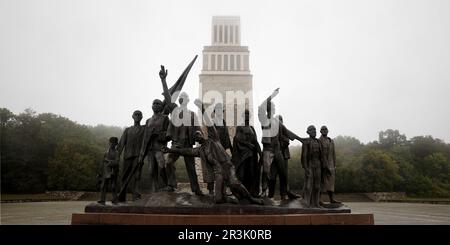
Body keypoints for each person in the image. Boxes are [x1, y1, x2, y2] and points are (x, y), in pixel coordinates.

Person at [258, 88, 304, 200]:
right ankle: (265, 192)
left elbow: (287, 132)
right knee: (267, 173)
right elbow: (260, 107)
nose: (273, 110)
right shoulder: (264, 119)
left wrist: (300, 139)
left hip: (277, 150)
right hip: (268, 150)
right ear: (268, 109)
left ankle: (284, 194)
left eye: (273, 108)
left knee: (283, 173)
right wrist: (272, 95)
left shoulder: (276, 121)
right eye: (271, 108)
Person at [165, 92, 203, 195]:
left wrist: (199, 135)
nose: (182, 99)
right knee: (168, 163)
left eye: (184, 97)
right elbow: (170, 127)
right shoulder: (174, 114)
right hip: (176, 144)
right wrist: (168, 137)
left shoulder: (192, 114)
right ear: (179, 100)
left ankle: (196, 189)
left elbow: (197, 128)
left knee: (191, 167)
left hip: (187, 144)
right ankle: (171, 184)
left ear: (187, 100)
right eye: (181, 98)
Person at [232, 109, 262, 197]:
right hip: (243, 155)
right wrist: (247, 144)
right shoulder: (240, 127)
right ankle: (241, 192)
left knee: (252, 173)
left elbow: (256, 142)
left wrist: (261, 154)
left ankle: (252, 192)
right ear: (242, 116)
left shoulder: (252, 128)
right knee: (242, 173)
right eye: (245, 115)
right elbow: (237, 139)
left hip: (252, 155)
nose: (247, 116)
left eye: (248, 115)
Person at [117, 110, 145, 201]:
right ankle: (122, 196)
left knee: (137, 176)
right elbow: (121, 144)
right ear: (132, 116)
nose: (137, 116)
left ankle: (135, 196)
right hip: (128, 156)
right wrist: (117, 156)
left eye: (139, 115)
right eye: (135, 114)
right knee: (124, 176)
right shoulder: (127, 130)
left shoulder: (144, 129)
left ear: (141, 117)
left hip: (138, 156)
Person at [301, 125, 326, 208]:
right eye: (312, 130)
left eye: (315, 130)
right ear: (308, 132)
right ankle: (307, 202)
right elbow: (304, 156)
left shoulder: (319, 142)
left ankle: (316, 203)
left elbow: (322, 155)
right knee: (309, 185)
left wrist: (324, 165)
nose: (314, 131)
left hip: (318, 164)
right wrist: (305, 167)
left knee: (317, 185)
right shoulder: (306, 142)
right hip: (310, 164)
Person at [319, 126, 340, 204]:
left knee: (331, 183)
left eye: (325, 129)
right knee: (321, 182)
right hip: (322, 165)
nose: (324, 131)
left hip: (331, 165)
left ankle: (332, 199)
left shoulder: (331, 141)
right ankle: (319, 199)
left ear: (328, 131)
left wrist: (334, 164)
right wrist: (324, 164)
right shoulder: (319, 141)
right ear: (320, 131)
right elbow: (320, 154)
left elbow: (333, 154)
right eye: (323, 129)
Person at [98, 137, 120, 205]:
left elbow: (116, 162)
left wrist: (108, 161)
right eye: (110, 142)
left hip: (113, 171)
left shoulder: (117, 153)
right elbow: (102, 163)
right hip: (105, 171)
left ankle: (115, 199)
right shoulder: (106, 152)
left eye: (113, 143)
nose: (111, 144)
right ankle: (102, 199)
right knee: (103, 185)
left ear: (116, 144)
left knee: (113, 186)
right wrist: (99, 172)